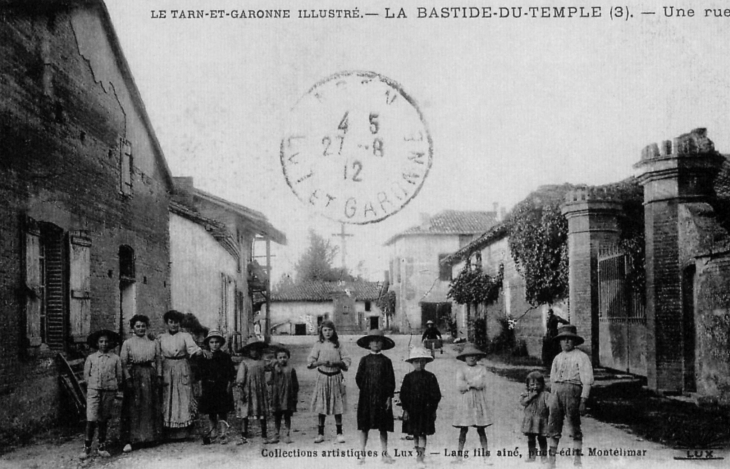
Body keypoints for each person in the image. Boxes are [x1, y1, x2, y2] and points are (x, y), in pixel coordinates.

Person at [157, 310, 211, 438]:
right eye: (171, 322)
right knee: (168, 397)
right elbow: (157, 355)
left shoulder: (185, 336)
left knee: (183, 397)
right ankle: (168, 429)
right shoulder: (161, 338)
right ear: (167, 323)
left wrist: (201, 352)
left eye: (176, 322)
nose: (174, 325)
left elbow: (193, 349)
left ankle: (184, 430)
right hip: (167, 368)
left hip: (182, 367)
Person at [547, 325, 594, 468]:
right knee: (554, 425)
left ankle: (577, 459)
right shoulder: (557, 358)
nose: (566, 342)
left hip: (573, 391)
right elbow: (552, 379)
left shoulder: (581, 356)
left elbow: (587, 380)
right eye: (563, 339)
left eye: (570, 339)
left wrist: (583, 400)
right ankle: (552, 461)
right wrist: (551, 397)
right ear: (559, 342)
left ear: (575, 342)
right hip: (557, 392)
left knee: (574, 425)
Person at [120, 315, 161, 453]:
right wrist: (128, 379)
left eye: (143, 326)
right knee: (134, 406)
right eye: (138, 326)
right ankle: (133, 439)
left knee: (149, 404)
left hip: (150, 374)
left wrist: (159, 376)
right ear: (133, 328)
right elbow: (123, 364)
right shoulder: (128, 343)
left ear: (147, 327)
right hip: (135, 374)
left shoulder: (153, 342)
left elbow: (159, 360)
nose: (141, 328)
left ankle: (150, 437)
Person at [355, 329, 397, 464]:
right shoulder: (364, 360)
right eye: (373, 341)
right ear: (368, 344)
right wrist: (367, 389)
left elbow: (391, 380)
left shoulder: (386, 361)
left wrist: (388, 397)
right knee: (364, 426)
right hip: (366, 398)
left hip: (382, 398)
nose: (376, 344)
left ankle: (385, 453)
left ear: (383, 344)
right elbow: (358, 378)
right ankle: (362, 454)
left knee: (383, 426)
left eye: (379, 341)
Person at [80, 329, 123, 460]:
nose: (104, 344)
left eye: (106, 342)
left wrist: (112, 387)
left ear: (110, 343)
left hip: (109, 391)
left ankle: (102, 446)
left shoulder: (115, 358)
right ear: (97, 343)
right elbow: (86, 376)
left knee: (103, 418)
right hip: (94, 390)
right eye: (101, 341)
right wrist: (93, 386)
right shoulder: (91, 358)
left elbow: (119, 376)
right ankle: (87, 447)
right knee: (91, 417)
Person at [307, 320, 351, 443]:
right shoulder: (318, 345)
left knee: (337, 405)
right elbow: (310, 362)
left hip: (336, 377)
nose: (327, 332)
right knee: (322, 405)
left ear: (334, 331)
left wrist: (336, 363)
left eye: (330, 330)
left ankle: (339, 432)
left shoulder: (339, 345)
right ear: (321, 331)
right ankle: (320, 433)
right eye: (325, 330)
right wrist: (320, 362)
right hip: (323, 377)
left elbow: (347, 360)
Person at [400, 347, 441, 469]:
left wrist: (433, 409)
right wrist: (405, 409)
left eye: (422, 361)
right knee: (415, 433)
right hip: (412, 410)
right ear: (412, 363)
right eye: (416, 361)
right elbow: (404, 394)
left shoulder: (431, 377)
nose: (419, 364)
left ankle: (421, 457)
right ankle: (418, 452)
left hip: (426, 410)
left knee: (423, 433)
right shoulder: (408, 377)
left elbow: (436, 394)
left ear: (426, 363)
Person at [451, 343, 492, 465]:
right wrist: (470, 384)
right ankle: (459, 455)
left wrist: (469, 383)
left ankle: (486, 455)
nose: (472, 358)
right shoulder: (461, 369)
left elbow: (481, 383)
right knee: (463, 429)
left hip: (478, 400)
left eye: (474, 356)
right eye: (469, 356)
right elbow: (460, 386)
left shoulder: (481, 369)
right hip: (466, 401)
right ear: (464, 358)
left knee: (481, 428)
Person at [197, 330, 236, 445]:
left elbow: (230, 373)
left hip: (221, 387)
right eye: (212, 342)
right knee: (211, 412)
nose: (214, 344)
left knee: (222, 411)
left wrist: (229, 385)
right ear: (208, 344)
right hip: (209, 387)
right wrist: (200, 388)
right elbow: (200, 375)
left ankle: (223, 433)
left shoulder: (225, 357)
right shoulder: (204, 357)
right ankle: (213, 433)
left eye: (217, 342)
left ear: (221, 343)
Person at [235, 338, 272, 444]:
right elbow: (240, 378)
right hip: (248, 391)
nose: (254, 352)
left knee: (262, 412)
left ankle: (264, 435)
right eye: (252, 350)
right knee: (245, 413)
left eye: (256, 349)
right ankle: (243, 435)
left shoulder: (262, 362)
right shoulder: (244, 363)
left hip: (260, 391)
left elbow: (270, 369)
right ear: (248, 351)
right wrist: (240, 389)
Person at [270, 347, 299, 444]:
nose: (282, 359)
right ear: (276, 359)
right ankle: (276, 434)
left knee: (287, 415)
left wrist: (294, 396)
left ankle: (287, 434)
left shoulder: (291, 370)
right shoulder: (274, 368)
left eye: (284, 357)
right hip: (277, 396)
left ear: (288, 358)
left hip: (288, 396)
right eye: (280, 357)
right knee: (277, 416)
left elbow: (295, 385)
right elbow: (270, 380)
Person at [520, 371, 550, 463]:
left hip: (541, 420)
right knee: (531, 438)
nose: (535, 387)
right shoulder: (526, 394)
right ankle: (531, 456)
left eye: (538, 384)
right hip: (530, 420)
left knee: (542, 438)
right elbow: (523, 403)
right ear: (528, 385)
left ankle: (544, 457)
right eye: (532, 384)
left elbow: (549, 405)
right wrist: (531, 396)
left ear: (542, 384)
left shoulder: (545, 394)